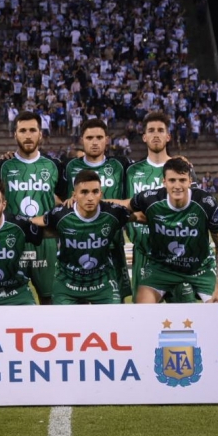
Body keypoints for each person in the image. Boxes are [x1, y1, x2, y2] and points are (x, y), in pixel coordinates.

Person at [126, 158, 218, 304]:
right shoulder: (150, 199)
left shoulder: (206, 202)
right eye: (172, 180)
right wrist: (100, 206)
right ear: (164, 182)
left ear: (190, 181)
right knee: (142, 307)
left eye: (182, 180)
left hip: (200, 268)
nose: (177, 186)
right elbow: (124, 206)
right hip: (162, 268)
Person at [32, 170, 136, 304]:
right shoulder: (60, 214)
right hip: (67, 284)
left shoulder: (113, 212)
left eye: (95, 192)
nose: (90, 197)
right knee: (62, 318)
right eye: (84, 192)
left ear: (101, 194)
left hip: (102, 283)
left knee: (113, 316)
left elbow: (139, 216)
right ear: (74, 195)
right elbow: (35, 222)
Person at [0, 111, 61, 305]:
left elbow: (64, 202)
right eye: (23, 131)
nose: (28, 135)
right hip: (13, 242)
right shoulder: (3, 166)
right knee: (11, 298)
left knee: (49, 298)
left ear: (41, 134)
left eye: (33, 130)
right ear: (15, 134)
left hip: (46, 241)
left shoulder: (54, 165)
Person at [61, 118, 132, 300]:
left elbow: (131, 198)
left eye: (99, 137)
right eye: (89, 137)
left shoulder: (121, 165)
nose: (94, 142)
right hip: (77, 244)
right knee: (78, 301)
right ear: (81, 140)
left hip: (112, 244)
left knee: (116, 301)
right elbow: (57, 199)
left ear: (107, 140)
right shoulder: (69, 166)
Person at [125, 111, 176, 299]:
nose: (156, 135)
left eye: (161, 130)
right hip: (143, 254)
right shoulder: (131, 172)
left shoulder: (181, 169)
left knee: (183, 312)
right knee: (143, 313)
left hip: (176, 254)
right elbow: (126, 207)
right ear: (144, 137)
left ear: (168, 136)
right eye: (151, 130)